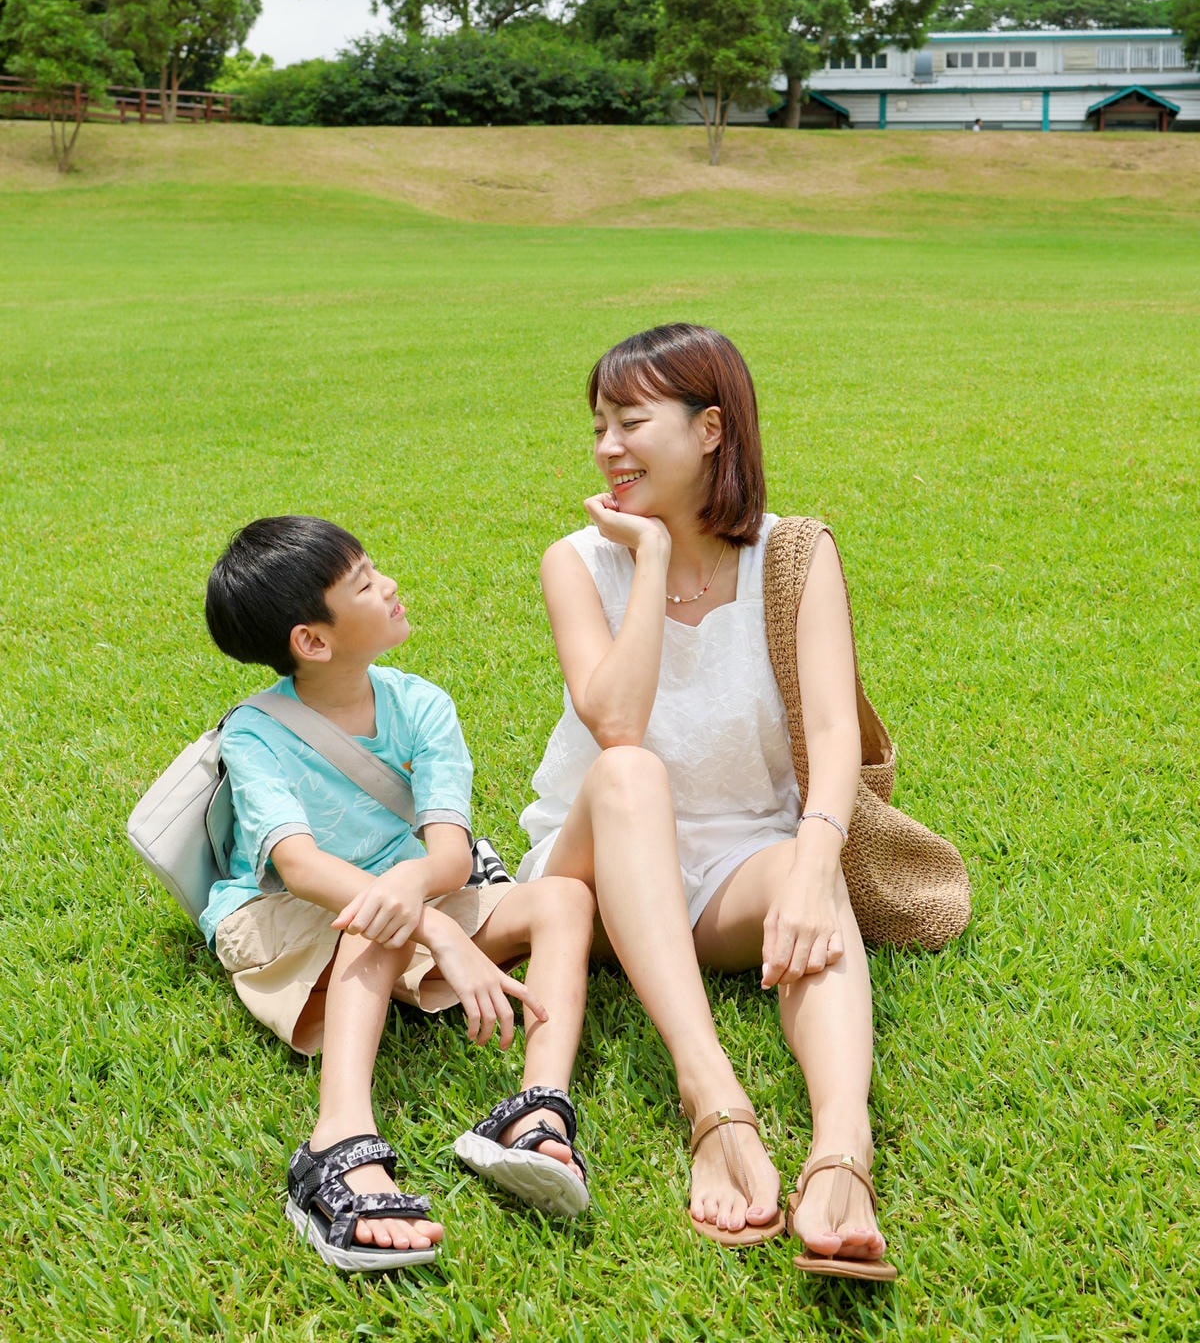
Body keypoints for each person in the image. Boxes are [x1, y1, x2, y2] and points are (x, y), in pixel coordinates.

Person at [517, 324, 898, 1279]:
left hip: (734, 864)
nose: (607, 446)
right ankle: (711, 1097)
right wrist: (648, 559)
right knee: (632, 772)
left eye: (631, 421)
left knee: (816, 886)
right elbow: (614, 724)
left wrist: (813, 871)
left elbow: (834, 735)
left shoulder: (794, 555)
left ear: (712, 429)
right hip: (602, 869)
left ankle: (840, 1152)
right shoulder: (579, 560)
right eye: (598, 424)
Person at [202, 515, 594, 1274]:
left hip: (406, 893)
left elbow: (448, 853)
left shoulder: (421, 704)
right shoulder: (253, 733)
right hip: (291, 914)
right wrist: (437, 932)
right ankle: (336, 1142)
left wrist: (419, 894)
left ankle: (537, 1109)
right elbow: (303, 867)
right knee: (374, 921)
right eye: (365, 585)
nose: (390, 587)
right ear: (311, 641)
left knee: (566, 899)